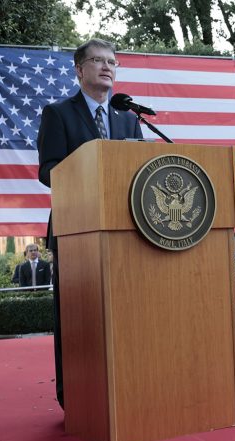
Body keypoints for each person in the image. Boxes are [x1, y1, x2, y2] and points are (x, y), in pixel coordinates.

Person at [38, 38, 144, 409]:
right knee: (76, 316)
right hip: (75, 231)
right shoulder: (58, 113)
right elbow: (47, 171)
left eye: (112, 61)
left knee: (126, 313)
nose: (107, 67)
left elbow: (141, 176)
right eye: (97, 61)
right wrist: (88, 167)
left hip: (124, 232)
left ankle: (126, 386)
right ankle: (76, 396)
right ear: (79, 70)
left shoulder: (129, 118)